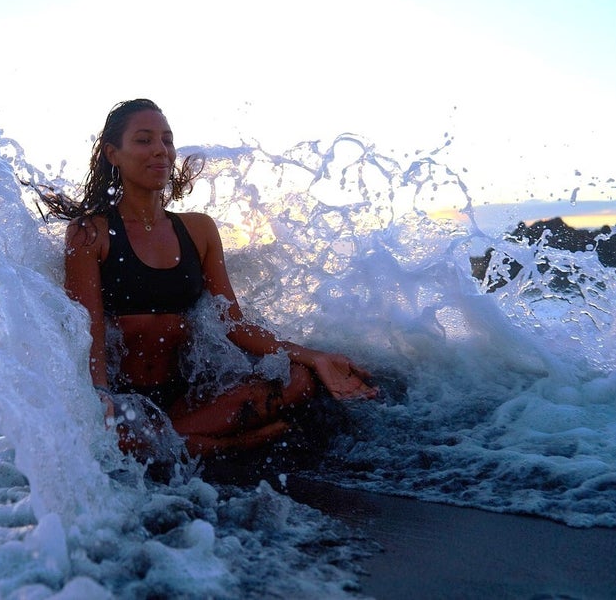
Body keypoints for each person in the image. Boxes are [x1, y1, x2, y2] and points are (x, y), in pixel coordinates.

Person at [36, 99, 376, 459]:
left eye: (167, 140)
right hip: (125, 401)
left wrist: (315, 357)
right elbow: (86, 330)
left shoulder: (198, 230)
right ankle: (225, 445)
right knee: (108, 434)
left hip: (187, 398)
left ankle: (177, 444)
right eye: (144, 140)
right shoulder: (90, 233)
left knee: (298, 381)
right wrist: (100, 395)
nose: (160, 151)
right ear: (113, 154)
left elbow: (232, 322)